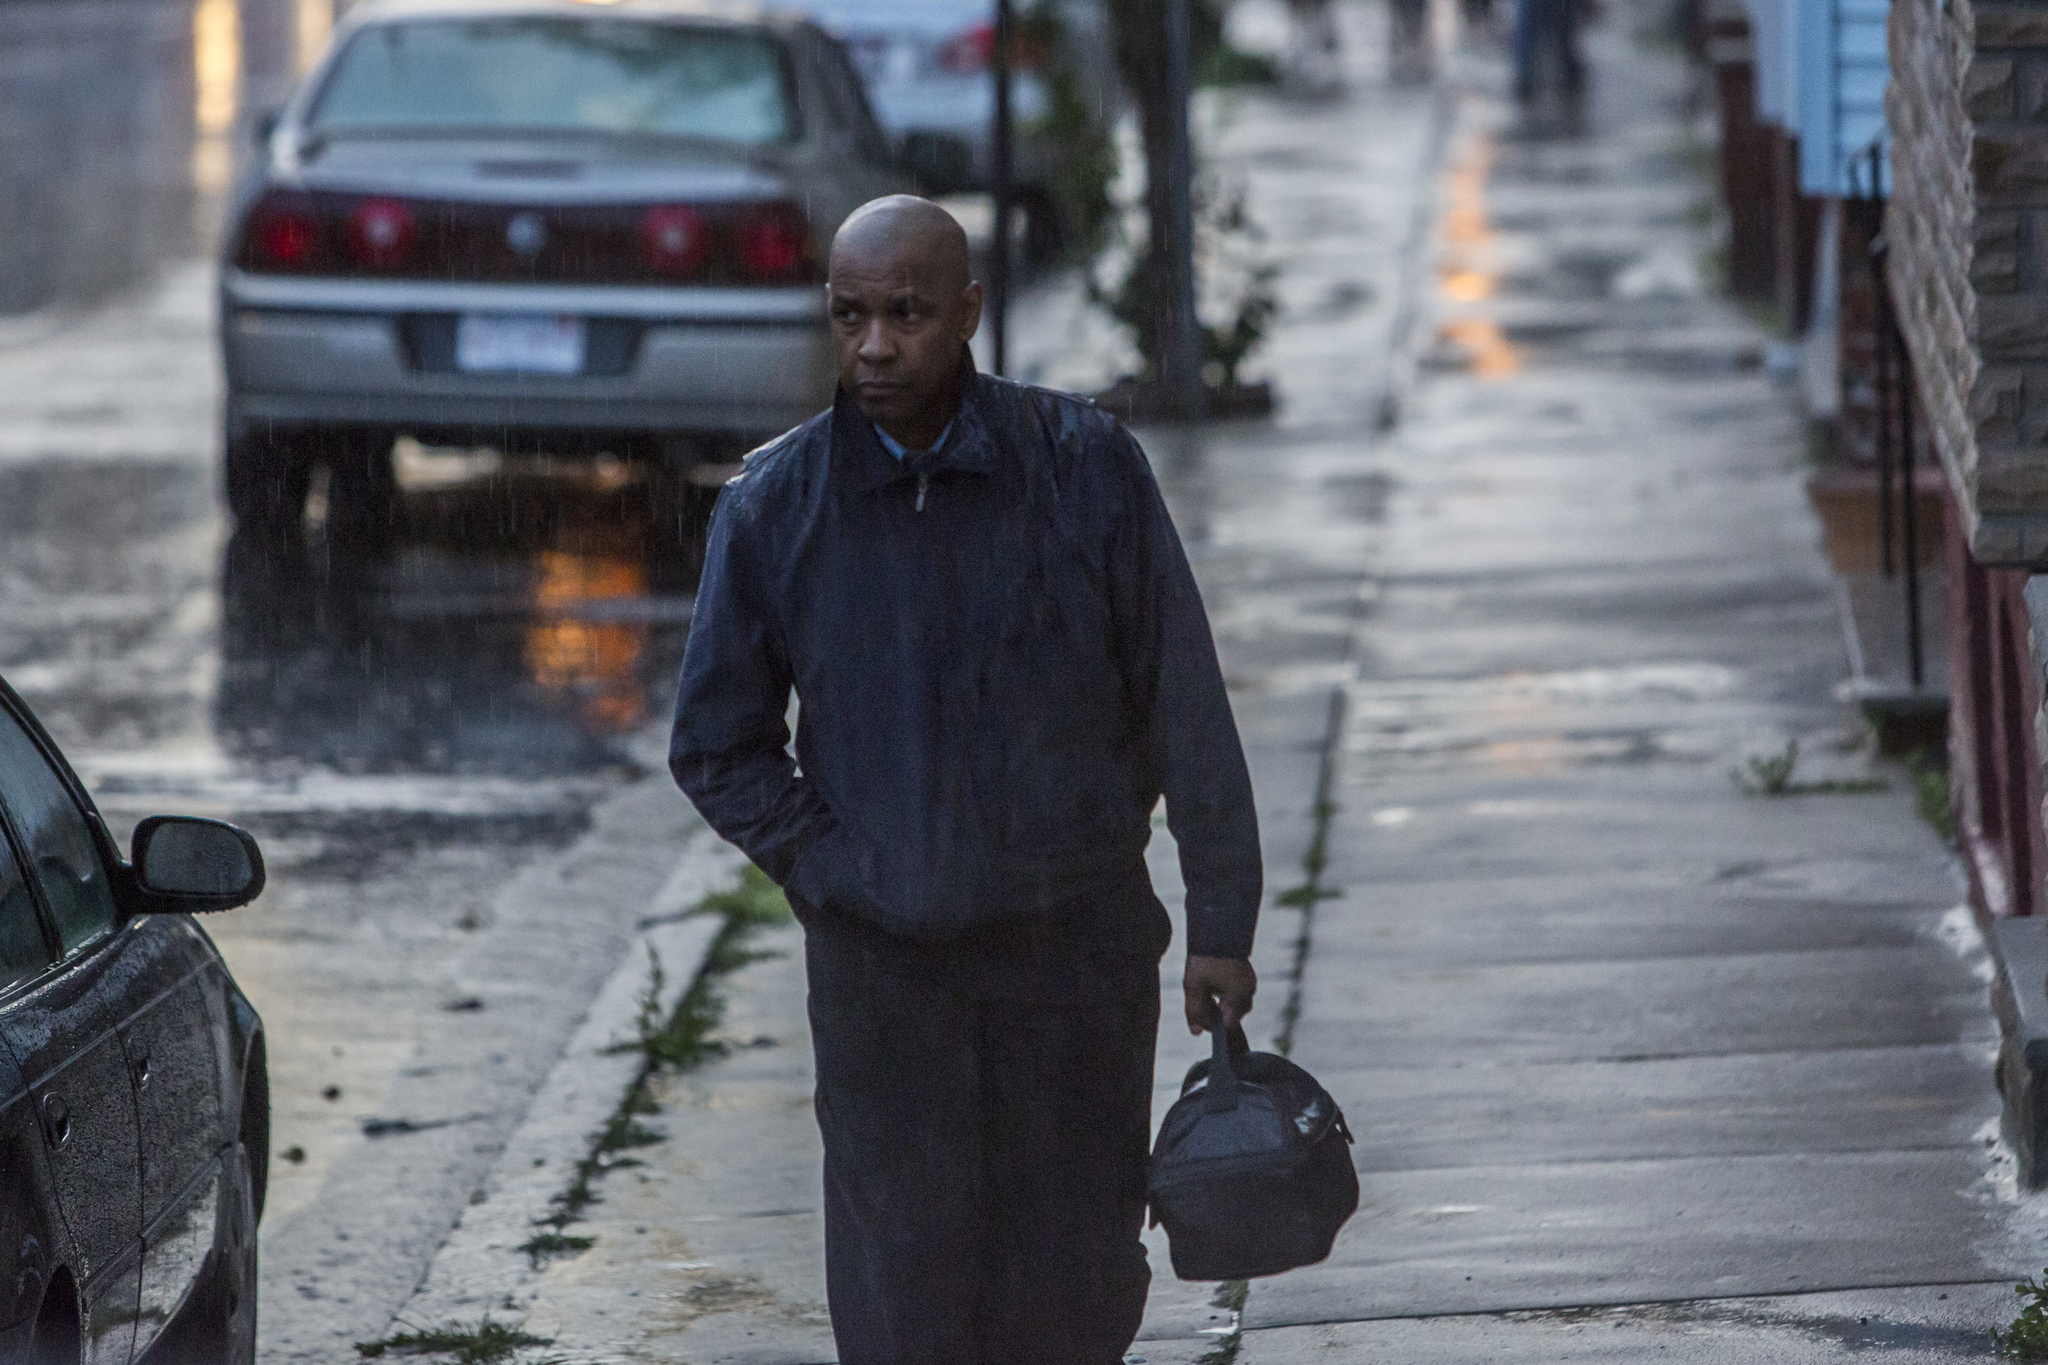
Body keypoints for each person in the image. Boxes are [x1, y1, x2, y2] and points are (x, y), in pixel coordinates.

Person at [668, 195, 1263, 1365]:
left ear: (969, 312)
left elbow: (1180, 701)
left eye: (906, 314)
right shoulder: (776, 508)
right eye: (849, 317)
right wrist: (840, 868)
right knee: (904, 1291)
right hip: (887, 989)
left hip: (1074, 966)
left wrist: (1220, 924)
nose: (875, 346)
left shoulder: (1081, 467)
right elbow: (716, 745)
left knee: (1077, 1273)